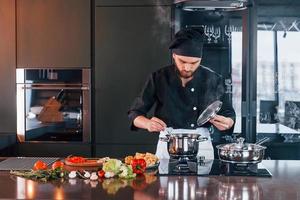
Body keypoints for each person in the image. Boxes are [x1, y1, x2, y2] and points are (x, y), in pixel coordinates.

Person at [128, 28, 235, 159]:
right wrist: (147, 123)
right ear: (174, 55)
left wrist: (228, 122)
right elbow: (135, 113)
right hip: (168, 144)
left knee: (203, 180)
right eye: (183, 61)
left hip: (201, 145)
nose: (188, 67)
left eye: (194, 63)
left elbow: (228, 113)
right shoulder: (159, 77)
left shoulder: (214, 79)